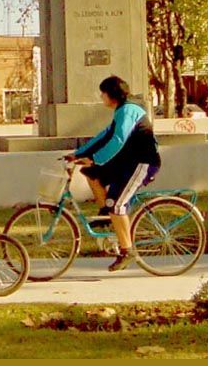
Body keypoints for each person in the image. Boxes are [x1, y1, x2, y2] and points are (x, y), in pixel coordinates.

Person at [64, 76, 161, 272]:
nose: (101, 97)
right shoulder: (121, 111)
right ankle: (107, 218)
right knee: (92, 174)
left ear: (112, 94)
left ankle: (127, 251)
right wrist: (79, 154)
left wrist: (96, 158)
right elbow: (104, 135)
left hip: (142, 164)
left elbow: (117, 140)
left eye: (103, 93)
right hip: (127, 163)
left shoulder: (129, 111)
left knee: (117, 204)